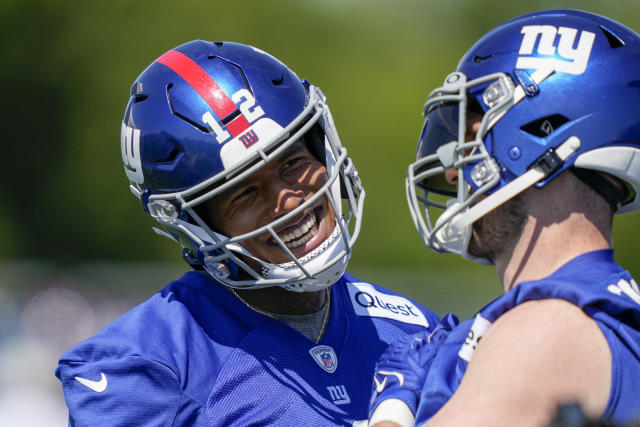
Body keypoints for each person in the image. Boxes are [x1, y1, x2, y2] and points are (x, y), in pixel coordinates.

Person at [54, 40, 441, 426]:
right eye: (245, 193)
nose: (289, 201)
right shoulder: (148, 367)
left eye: (292, 162)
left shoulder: (413, 332)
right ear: (196, 224)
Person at [369, 9, 640, 427]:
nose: (453, 172)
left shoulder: (547, 329)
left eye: (475, 137)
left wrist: (392, 408)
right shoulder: (597, 310)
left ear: (539, 135)